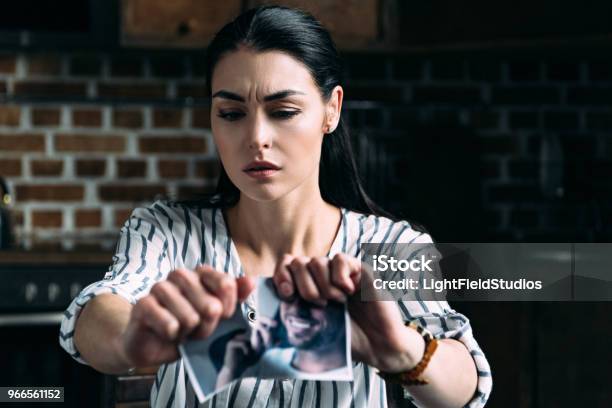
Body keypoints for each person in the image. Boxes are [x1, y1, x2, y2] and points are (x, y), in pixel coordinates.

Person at [59, 5, 492, 408]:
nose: (256, 138)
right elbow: (104, 308)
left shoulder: (391, 244)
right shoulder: (167, 231)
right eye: (231, 113)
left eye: (283, 111)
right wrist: (129, 340)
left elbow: (463, 385)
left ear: (331, 110)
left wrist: (400, 351)